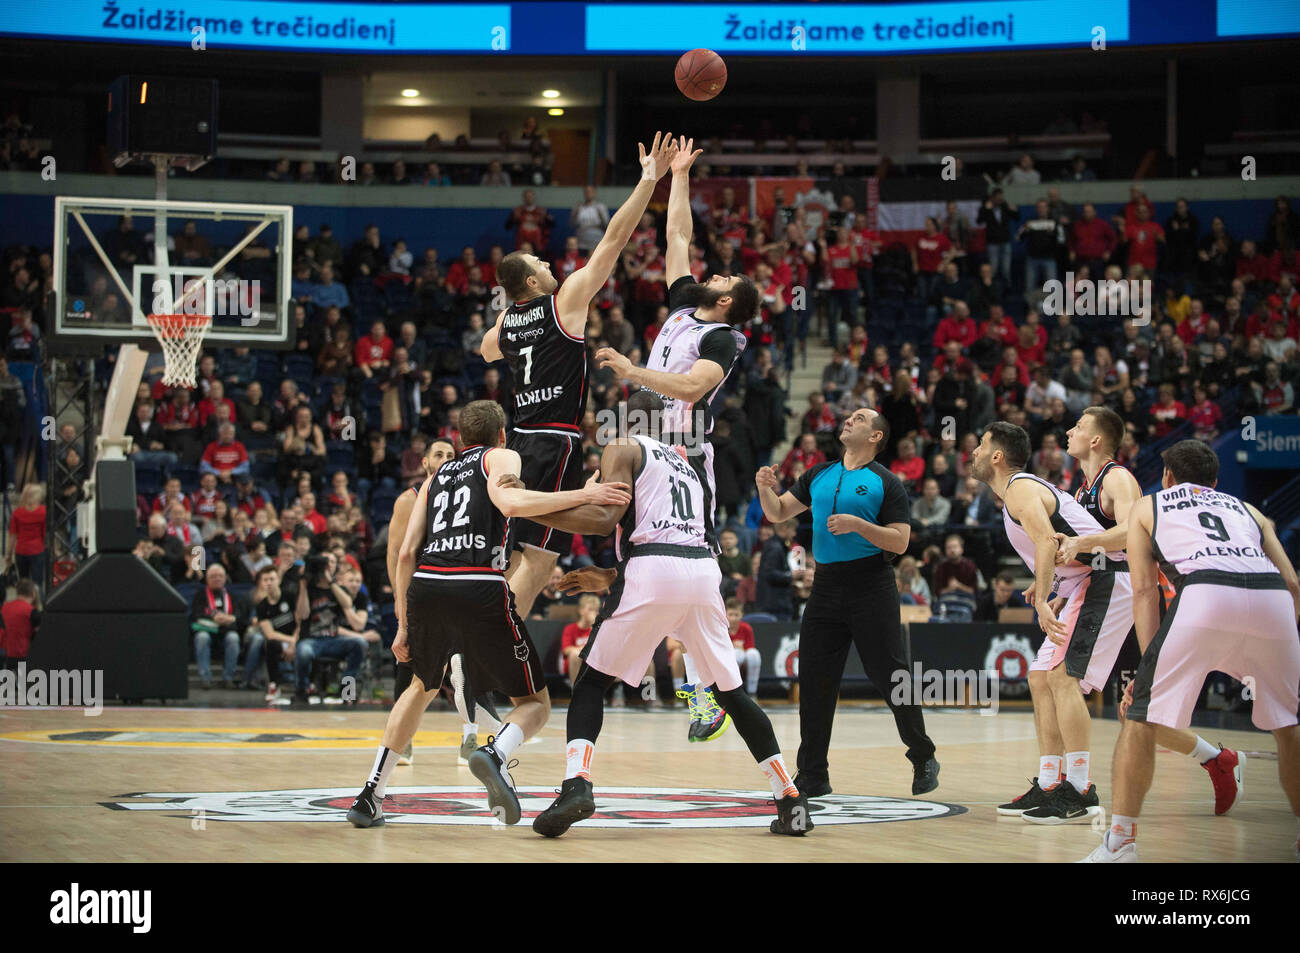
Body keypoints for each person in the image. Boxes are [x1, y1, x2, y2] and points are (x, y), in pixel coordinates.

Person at [523, 390, 811, 837]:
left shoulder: (624, 446)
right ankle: (789, 797)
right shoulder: (687, 465)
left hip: (652, 569)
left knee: (592, 683)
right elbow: (671, 533)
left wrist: (532, 512)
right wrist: (613, 574)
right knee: (733, 695)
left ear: (627, 418)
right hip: (701, 573)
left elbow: (604, 518)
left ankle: (576, 784)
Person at [347, 400, 631, 829]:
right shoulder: (501, 455)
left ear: (459, 439)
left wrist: (403, 623)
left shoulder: (436, 476)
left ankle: (371, 794)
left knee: (420, 688)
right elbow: (511, 501)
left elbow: (406, 552)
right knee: (535, 702)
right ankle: (494, 752)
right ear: (503, 434)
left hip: (427, 585)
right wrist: (585, 493)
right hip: (477, 585)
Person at [592, 135, 761, 740]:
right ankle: (613, 622)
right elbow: (677, 238)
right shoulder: (687, 307)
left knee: (695, 561)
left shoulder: (722, 340)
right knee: (628, 546)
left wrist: (634, 371)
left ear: (725, 301)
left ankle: (702, 694)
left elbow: (692, 389)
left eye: (724, 277)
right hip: (639, 435)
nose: (715, 271)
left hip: (684, 451)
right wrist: (677, 175)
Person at [479, 131, 675, 625]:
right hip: (553, 439)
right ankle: (498, 651)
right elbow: (614, 239)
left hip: (518, 439)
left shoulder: (505, 323)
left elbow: (485, 351)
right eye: (540, 264)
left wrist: (510, 314)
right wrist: (649, 179)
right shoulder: (563, 301)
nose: (548, 264)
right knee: (541, 559)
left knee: (521, 556)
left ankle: (480, 643)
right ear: (531, 282)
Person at [1081, 440, 1300, 862]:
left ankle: (1120, 844)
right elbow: (1293, 583)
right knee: (1289, 726)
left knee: (1140, 718)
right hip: (1272, 598)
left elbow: (1145, 591)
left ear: (1166, 477)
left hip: (1204, 594)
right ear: (1216, 483)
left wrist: (1147, 673)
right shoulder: (1250, 511)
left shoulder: (1150, 506)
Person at [1056, 407, 1247, 814]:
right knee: (1132, 713)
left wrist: (1082, 545)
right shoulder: (1079, 491)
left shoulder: (1117, 477)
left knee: (1072, 684)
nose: (1069, 431)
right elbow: (1094, 550)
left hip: (1134, 595)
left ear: (1096, 440)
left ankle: (1077, 790)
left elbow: (1131, 529)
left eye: (1078, 426)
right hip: (1110, 595)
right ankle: (1216, 759)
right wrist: (1059, 587)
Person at [755, 407, 939, 797]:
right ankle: (813, 775)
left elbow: (901, 541)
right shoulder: (819, 473)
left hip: (871, 584)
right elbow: (777, 513)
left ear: (875, 436)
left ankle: (923, 754)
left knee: (891, 675)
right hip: (826, 586)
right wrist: (764, 487)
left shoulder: (886, 483)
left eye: (859, 418)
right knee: (816, 680)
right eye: (849, 417)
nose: (849, 420)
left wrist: (859, 526)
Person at [968, 422, 1133, 825]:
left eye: (979, 445)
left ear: (997, 456)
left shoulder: (1021, 489)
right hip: (1084, 581)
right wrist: (1049, 585)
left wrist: (1042, 599)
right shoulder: (1016, 492)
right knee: (1040, 677)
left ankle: (1079, 789)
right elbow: (1058, 548)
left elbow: (1047, 542)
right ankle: (1048, 782)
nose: (972, 451)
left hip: (1108, 578)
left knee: (1062, 679)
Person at [384, 436, 499, 767]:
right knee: (411, 666)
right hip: (421, 591)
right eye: (439, 454)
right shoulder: (410, 499)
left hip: (456, 586)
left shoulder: (466, 493)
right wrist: (399, 600)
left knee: (466, 664)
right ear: (425, 462)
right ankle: (401, 742)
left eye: (451, 454)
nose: (446, 459)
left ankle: (470, 738)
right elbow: (396, 554)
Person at [190, 564, 257, 690]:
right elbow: (196, 614)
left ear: (225, 578)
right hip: (207, 628)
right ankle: (205, 678)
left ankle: (228, 677)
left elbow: (240, 617)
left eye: (220, 576)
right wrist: (213, 618)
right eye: (213, 576)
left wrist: (229, 618)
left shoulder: (232, 596)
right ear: (207, 579)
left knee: (233, 638)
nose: (217, 579)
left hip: (227, 630)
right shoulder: (200, 595)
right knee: (201, 637)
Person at [0, 579, 40, 670]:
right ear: (33, 594)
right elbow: (38, 637)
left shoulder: (4, 608)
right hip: (22, 656)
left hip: (4, 655)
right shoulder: (32, 612)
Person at [560, 593, 601, 683]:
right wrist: (583, 649)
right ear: (581, 610)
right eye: (590, 609)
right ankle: (575, 691)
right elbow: (566, 649)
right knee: (575, 653)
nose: (594, 613)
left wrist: (594, 626)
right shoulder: (570, 628)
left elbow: (601, 647)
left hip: (593, 662)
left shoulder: (596, 629)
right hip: (575, 664)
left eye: (596, 610)